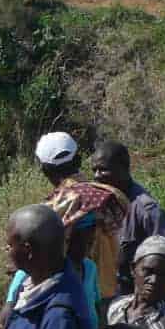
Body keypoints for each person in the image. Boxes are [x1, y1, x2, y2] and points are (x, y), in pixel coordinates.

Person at [34, 130, 128, 304]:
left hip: (73, 295)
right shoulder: (108, 194)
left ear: (44, 169)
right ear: (78, 159)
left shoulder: (55, 207)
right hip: (114, 289)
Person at [91, 140, 165, 292]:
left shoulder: (144, 209)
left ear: (123, 168)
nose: (97, 176)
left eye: (103, 170)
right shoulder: (102, 200)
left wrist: (156, 292)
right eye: (94, 170)